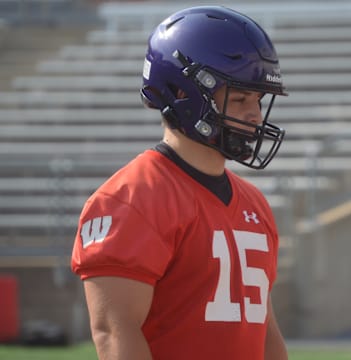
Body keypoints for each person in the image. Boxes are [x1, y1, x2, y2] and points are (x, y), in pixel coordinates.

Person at [71, 5, 289, 360]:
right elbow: (115, 335)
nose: (255, 115)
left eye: (258, 100)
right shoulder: (131, 199)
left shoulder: (254, 203)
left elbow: (264, 329)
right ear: (184, 94)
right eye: (239, 99)